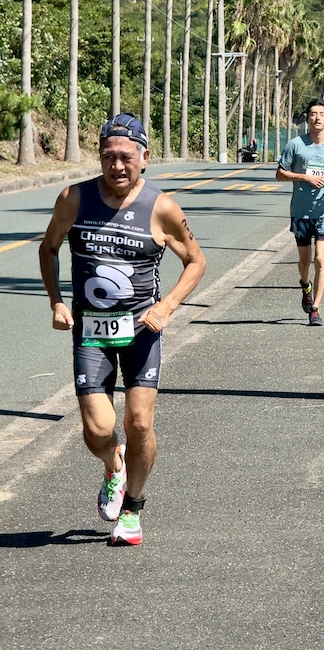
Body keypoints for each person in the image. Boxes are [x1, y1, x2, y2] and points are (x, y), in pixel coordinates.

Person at [39, 113, 206, 546]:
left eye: (126, 157)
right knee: (98, 430)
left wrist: (167, 305)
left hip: (142, 330)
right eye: (108, 156)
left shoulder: (161, 207)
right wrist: (57, 301)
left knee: (139, 423)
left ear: (144, 159)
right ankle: (115, 466)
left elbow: (196, 261)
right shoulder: (74, 199)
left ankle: (132, 510)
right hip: (91, 330)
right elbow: (49, 248)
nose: (117, 165)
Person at [276, 99, 324, 326]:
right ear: (308, 119)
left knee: (320, 258)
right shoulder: (296, 145)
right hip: (301, 211)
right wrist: (304, 177)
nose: (317, 118)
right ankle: (305, 286)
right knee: (304, 261)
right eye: (313, 114)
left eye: (321, 114)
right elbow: (280, 174)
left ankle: (315, 309)